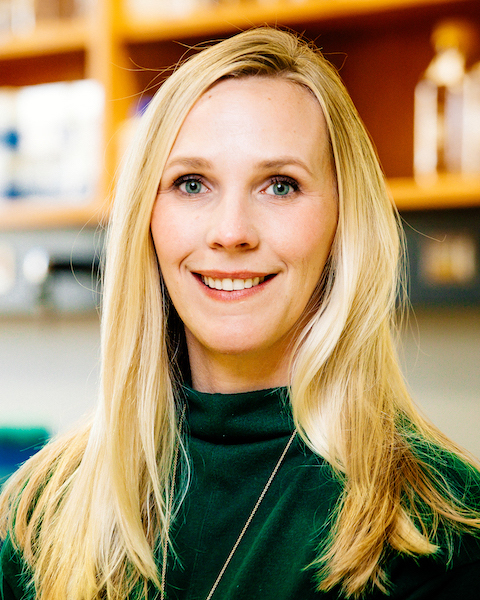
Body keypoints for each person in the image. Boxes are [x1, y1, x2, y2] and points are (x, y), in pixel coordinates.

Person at [1, 27, 480, 600]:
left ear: (342, 222)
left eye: (279, 186)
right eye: (191, 183)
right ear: (145, 221)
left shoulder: (437, 525)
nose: (230, 232)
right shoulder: (41, 511)